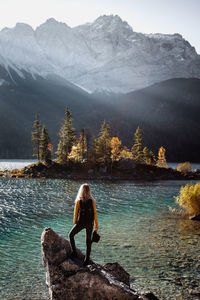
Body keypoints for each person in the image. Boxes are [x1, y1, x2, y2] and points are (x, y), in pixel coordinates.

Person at [68, 183, 98, 266]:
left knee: (71, 235)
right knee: (88, 241)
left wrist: (75, 223)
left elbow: (75, 214)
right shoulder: (92, 201)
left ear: (81, 191)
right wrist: (96, 225)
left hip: (80, 223)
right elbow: (95, 213)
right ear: (89, 191)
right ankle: (87, 259)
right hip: (89, 224)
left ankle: (74, 253)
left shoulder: (78, 201)